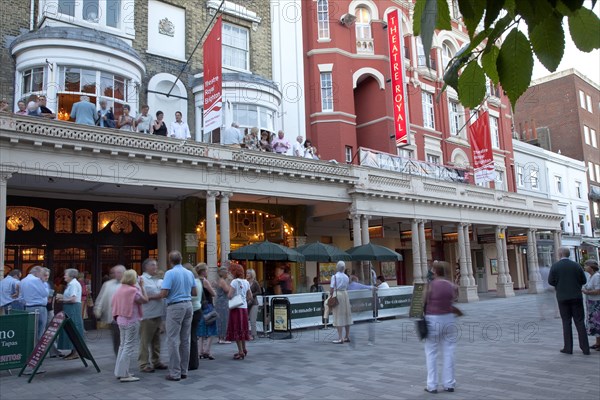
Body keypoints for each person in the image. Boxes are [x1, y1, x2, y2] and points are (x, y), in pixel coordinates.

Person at [160, 250, 197, 381]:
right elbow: (194, 292)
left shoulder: (170, 273)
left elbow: (164, 293)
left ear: (170, 261)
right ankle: (184, 371)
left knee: (173, 339)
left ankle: (175, 373)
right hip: (188, 305)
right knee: (185, 339)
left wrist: (156, 295)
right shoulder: (189, 273)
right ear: (181, 259)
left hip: (175, 306)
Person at [424, 261, 458, 394]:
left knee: (431, 352)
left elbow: (423, 301)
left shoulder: (431, 285)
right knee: (449, 351)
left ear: (435, 271)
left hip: (433, 319)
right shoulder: (451, 285)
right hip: (448, 318)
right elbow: (454, 298)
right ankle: (449, 383)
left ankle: (432, 385)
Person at [548, 247, 590, 355]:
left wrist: (559, 284)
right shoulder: (576, 265)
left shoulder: (555, 266)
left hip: (562, 297)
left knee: (566, 322)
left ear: (561, 254)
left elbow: (550, 281)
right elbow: (583, 280)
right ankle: (585, 348)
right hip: (576, 296)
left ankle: (568, 347)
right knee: (580, 322)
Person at [112, 269, 148, 382]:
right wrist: (142, 286)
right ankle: (124, 375)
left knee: (122, 346)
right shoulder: (133, 290)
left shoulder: (120, 289)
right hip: (131, 320)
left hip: (120, 319)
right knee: (128, 347)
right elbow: (145, 300)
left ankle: (120, 371)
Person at [138, 258, 168, 373]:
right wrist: (156, 296)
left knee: (156, 340)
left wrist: (157, 295)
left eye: (156, 265)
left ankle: (156, 361)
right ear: (146, 267)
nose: (155, 267)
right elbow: (140, 296)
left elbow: (164, 293)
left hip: (158, 313)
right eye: (152, 265)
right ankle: (143, 363)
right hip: (147, 314)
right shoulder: (141, 279)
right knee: (145, 340)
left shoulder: (159, 280)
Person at [94, 265, 125, 355]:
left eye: (118, 272)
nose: (116, 274)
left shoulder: (129, 284)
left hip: (127, 317)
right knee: (117, 338)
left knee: (126, 339)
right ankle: (118, 355)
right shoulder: (107, 284)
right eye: (114, 272)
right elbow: (101, 298)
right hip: (114, 317)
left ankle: (124, 355)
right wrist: (98, 309)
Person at [57, 269, 85, 360]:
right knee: (71, 329)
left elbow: (73, 299)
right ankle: (73, 351)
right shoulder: (71, 284)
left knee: (73, 328)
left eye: (65, 274)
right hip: (70, 308)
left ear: (71, 276)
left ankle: (75, 352)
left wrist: (61, 298)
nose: (64, 276)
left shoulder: (73, 284)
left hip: (73, 309)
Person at [226, 263, 252, 359]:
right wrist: (243, 299)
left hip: (236, 308)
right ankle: (244, 349)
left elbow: (229, 295)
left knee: (236, 329)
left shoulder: (234, 282)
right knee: (243, 329)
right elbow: (250, 296)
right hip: (244, 308)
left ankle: (240, 351)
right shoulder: (246, 282)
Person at [20, 266, 49, 343]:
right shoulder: (37, 280)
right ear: (37, 272)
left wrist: (27, 301)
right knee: (40, 331)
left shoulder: (23, 280)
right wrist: (45, 285)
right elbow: (45, 293)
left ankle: (30, 349)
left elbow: (20, 297)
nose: (42, 275)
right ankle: (38, 351)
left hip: (28, 308)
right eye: (41, 273)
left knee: (30, 330)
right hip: (39, 307)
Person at [196, 263, 217, 360]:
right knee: (211, 328)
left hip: (199, 306)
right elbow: (213, 294)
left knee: (201, 330)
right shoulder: (204, 281)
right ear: (203, 271)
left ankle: (200, 351)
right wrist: (213, 289)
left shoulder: (195, 280)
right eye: (207, 270)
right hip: (207, 306)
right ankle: (207, 350)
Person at [184, 263, 202, 371]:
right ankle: (193, 361)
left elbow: (193, 296)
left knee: (189, 338)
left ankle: (191, 361)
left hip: (193, 310)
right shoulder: (198, 281)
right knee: (193, 337)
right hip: (197, 309)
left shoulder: (193, 282)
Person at [330, 261, 352, 344]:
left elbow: (332, 288)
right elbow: (347, 286)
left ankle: (340, 338)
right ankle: (347, 336)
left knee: (338, 315)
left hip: (338, 294)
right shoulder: (346, 277)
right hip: (345, 294)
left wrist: (331, 296)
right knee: (347, 315)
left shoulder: (335, 276)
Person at [581, 260, 600, 351]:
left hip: (597, 303)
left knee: (598, 323)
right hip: (591, 302)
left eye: (586, 265)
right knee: (595, 324)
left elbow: (598, 290)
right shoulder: (590, 276)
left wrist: (586, 292)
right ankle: (598, 342)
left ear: (591, 267)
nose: (584, 267)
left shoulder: (596, 276)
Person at [215, 266, 231, 344]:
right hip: (223, 302)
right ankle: (223, 337)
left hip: (219, 301)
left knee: (220, 318)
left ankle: (220, 337)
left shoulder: (219, 280)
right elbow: (227, 290)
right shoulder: (223, 281)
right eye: (227, 272)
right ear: (223, 273)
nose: (228, 273)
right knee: (224, 318)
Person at [246, 269, 261, 340]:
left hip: (254, 303)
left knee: (252, 320)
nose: (247, 274)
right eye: (246, 273)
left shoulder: (255, 283)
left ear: (252, 274)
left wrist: (252, 295)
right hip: (246, 303)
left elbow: (259, 291)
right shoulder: (245, 282)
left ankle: (254, 334)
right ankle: (247, 334)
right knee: (246, 319)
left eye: (248, 273)